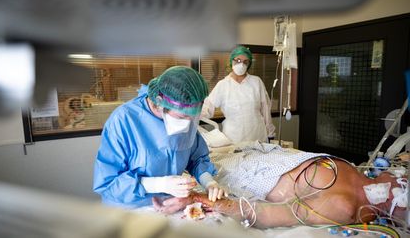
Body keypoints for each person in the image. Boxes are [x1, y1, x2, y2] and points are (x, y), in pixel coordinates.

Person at [152, 145, 408, 229]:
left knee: (197, 162)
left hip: (252, 174)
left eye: (403, 181)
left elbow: (259, 213)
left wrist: (196, 198)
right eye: (403, 174)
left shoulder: (344, 207)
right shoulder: (363, 175)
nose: (400, 174)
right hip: (265, 155)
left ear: (396, 203)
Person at [93, 66, 228, 208]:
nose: (187, 123)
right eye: (182, 116)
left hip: (170, 204)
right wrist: (158, 184)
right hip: (129, 208)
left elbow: (197, 158)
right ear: (159, 102)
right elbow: (108, 183)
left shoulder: (185, 119)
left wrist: (209, 182)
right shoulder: (124, 120)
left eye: (192, 117)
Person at [201, 46, 275, 143]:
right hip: (234, 137)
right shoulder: (223, 85)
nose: (241, 64)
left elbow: (265, 108)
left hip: (257, 134)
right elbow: (208, 106)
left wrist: (270, 132)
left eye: (245, 62)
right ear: (232, 61)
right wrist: (191, 113)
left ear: (249, 64)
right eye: (238, 60)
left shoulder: (256, 82)